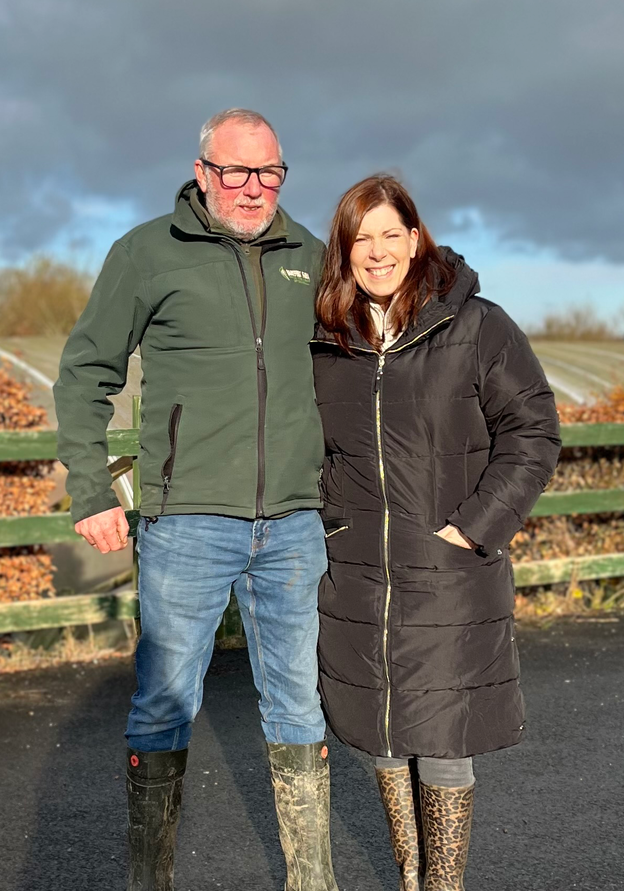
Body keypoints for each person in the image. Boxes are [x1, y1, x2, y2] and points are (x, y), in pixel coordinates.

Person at [54, 108, 338, 891]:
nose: (254, 189)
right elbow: (86, 374)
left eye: (270, 172)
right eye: (237, 172)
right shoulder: (147, 253)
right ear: (203, 170)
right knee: (162, 705)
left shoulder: (311, 257)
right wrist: (90, 488)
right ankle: (151, 880)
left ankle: (312, 881)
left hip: (291, 523)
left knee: (299, 705)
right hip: (185, 523)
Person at [311, 175, 560, 890]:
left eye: (392, 233)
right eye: (363, 238)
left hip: (447, 571)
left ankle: (442, 887)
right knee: (380, 734)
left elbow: (532, 431)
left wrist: (476, 527)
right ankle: (410, 878)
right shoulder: (330, 340)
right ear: (345, 251)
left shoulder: (478, 327)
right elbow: (312, 446)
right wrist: (331, 518)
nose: (378, 251)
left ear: (417, 239)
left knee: (444, 739)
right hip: (357, 568)